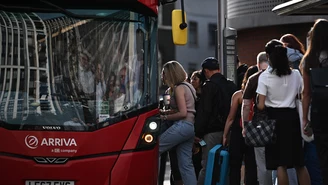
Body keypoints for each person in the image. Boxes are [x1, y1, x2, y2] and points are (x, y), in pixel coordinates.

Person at [256, 39, 311, 185]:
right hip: (292, 118)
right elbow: (302, 94)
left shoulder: (264, 77)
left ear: (269, 58)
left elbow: (261, 105)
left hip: (274, 120)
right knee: (299, 162)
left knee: (280, 163)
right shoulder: (296, 75)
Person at [194, 57, 237, 185]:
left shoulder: (209, 86)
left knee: (207, 166)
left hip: (212, 133)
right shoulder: (231, 85)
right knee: (226, 165)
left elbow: (205, 112)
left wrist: (197, 133)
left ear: (206, 71)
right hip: (229, 132)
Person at [159, 60, 197, 185]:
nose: (162, 76)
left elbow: (182, 113)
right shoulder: (188, 86)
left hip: (182, 126)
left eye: (164, 73)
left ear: (171, 74)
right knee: (186, 165)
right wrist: (166, 112)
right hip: (190, 127)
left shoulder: (179, 88)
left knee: (154, 148)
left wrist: (164, 117)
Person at [301, 19, 328, 185]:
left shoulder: (309, 59)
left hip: (319, 110)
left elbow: (306, 93)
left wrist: (305, 118)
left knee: (323, 154)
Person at [223, 65, 258, 185]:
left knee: (235, 164)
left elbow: (231, 117)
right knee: (252, 164)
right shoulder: (262, 94)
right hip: (255, 131)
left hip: (239, 131)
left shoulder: (238, 95)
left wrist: (225, 134)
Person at [190, 70, 206, 179]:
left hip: (201, 133)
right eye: (191, 78)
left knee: (202, 156)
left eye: (195, 79)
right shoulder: (191, 95)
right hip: (192, 131)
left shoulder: (204, 96)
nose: (192, 81)